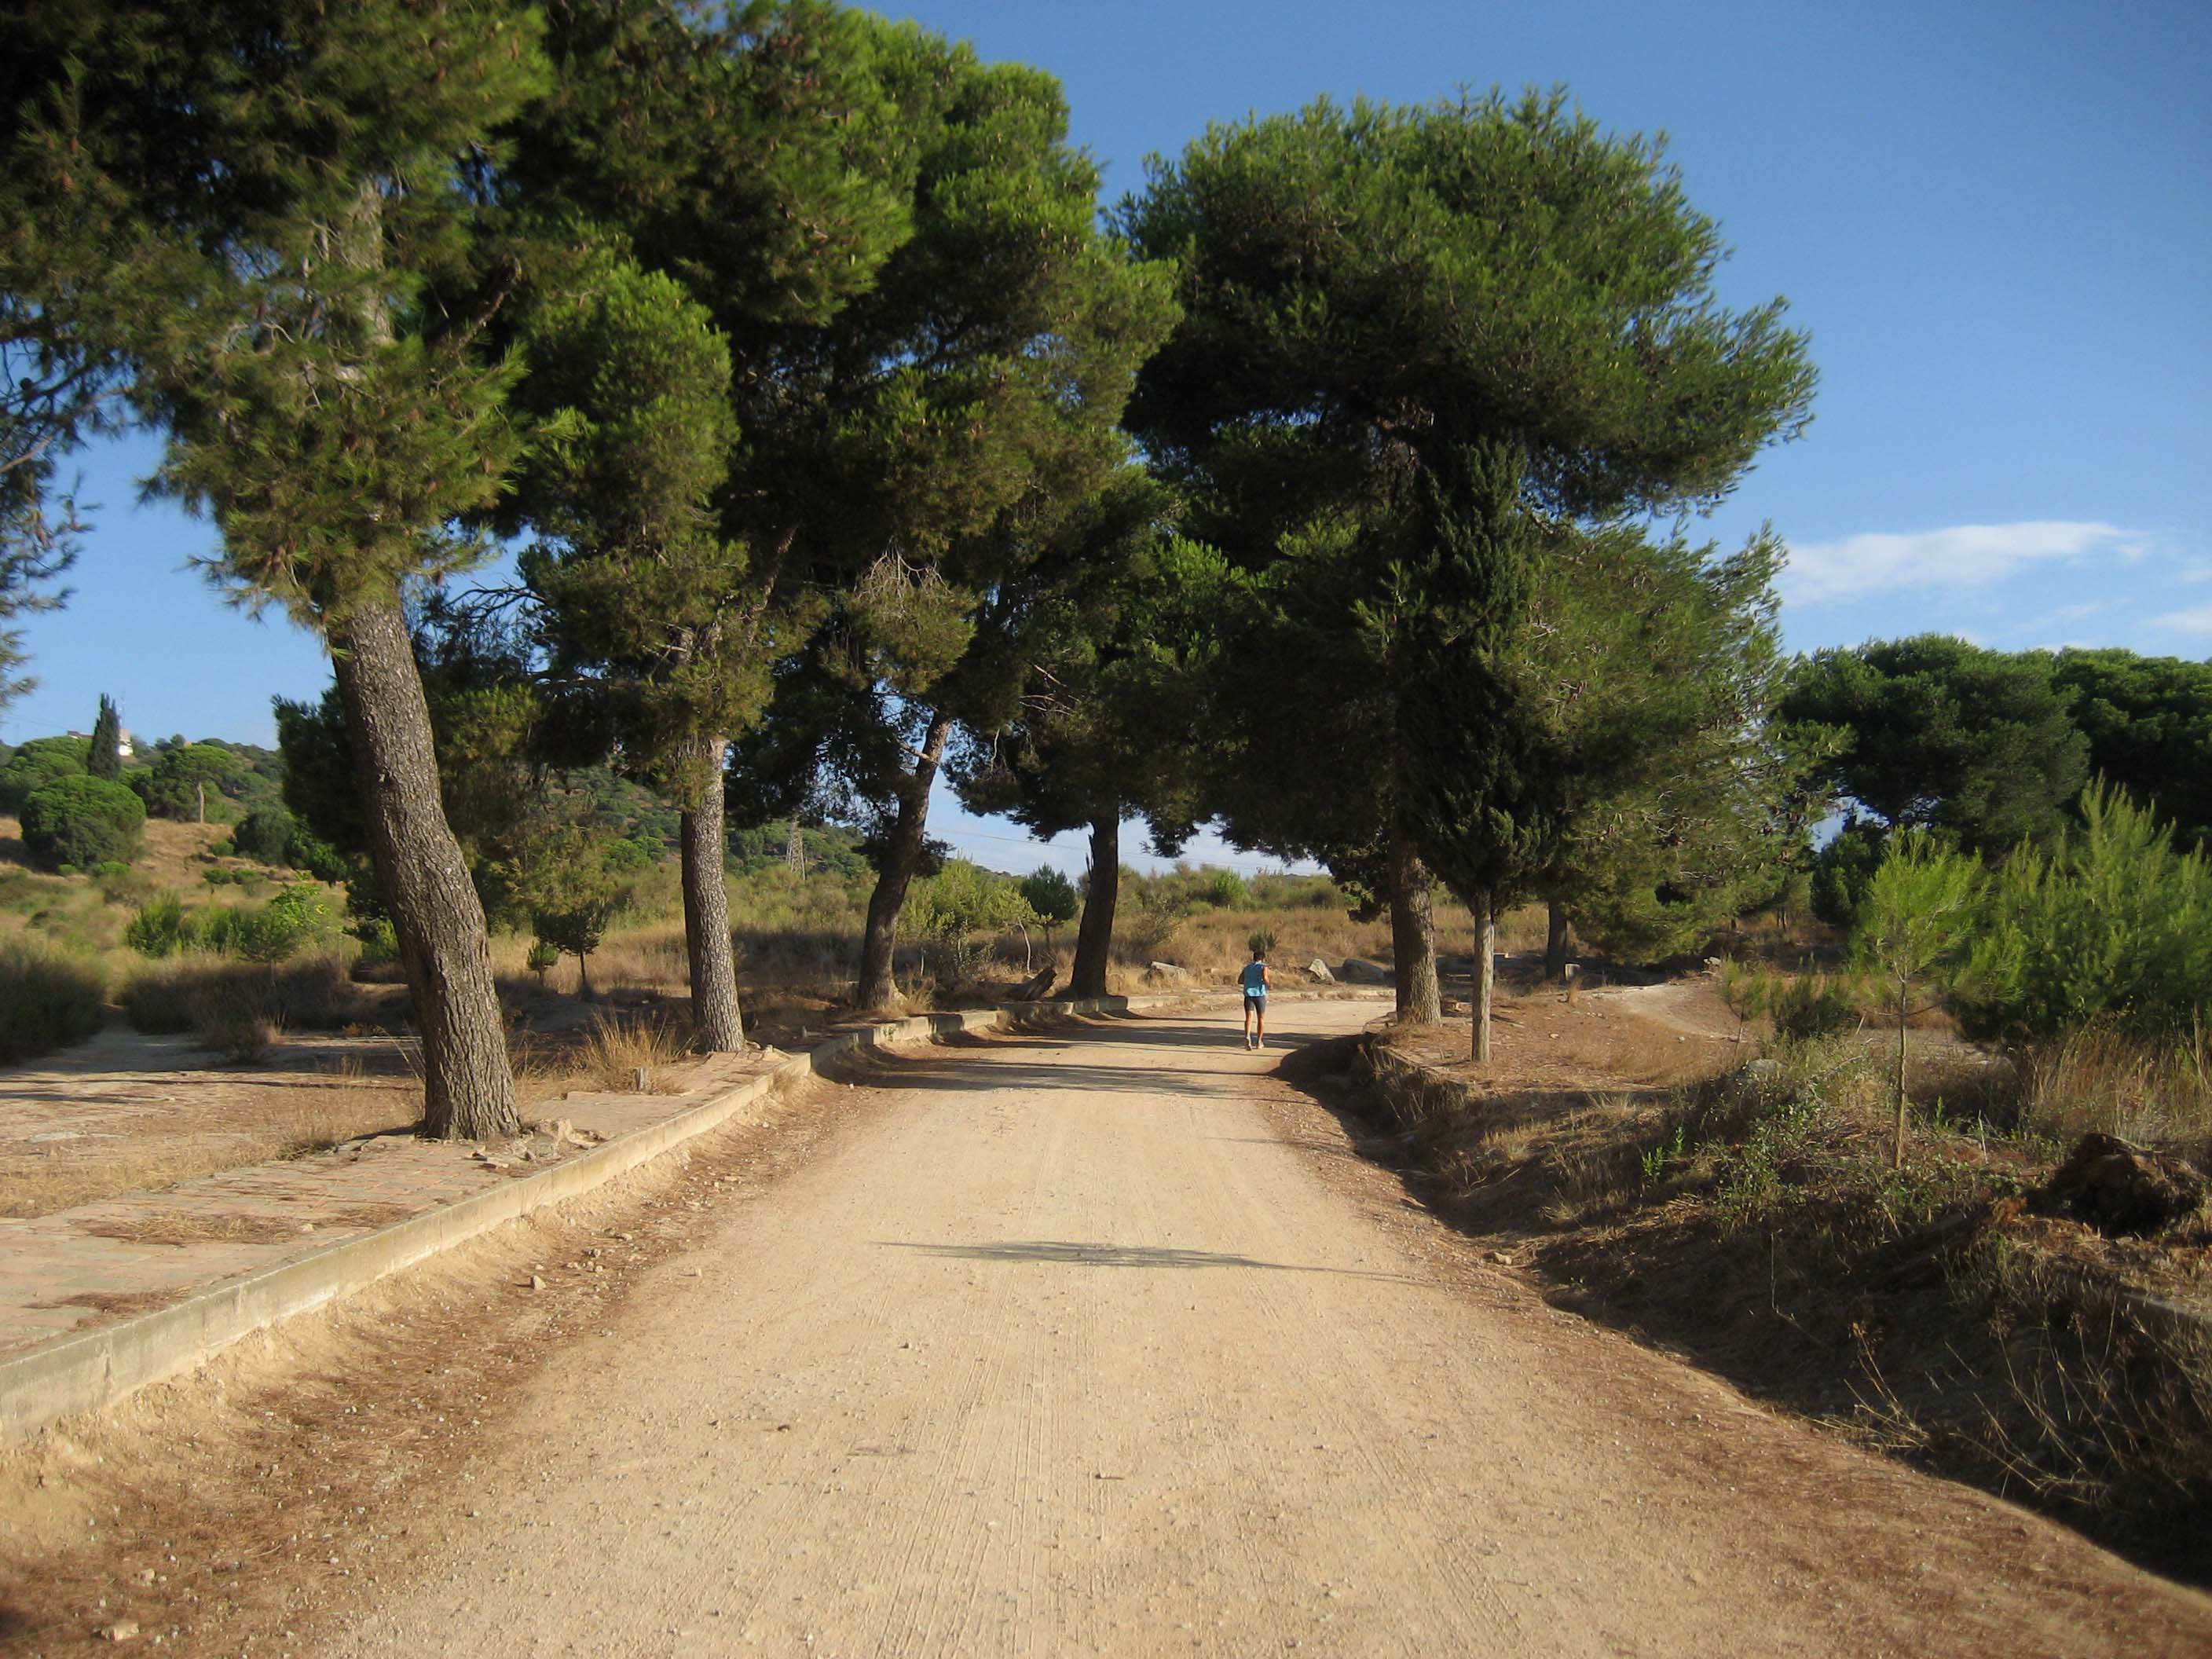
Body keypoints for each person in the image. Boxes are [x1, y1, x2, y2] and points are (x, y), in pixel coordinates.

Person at [1239, 948, 1273, 1049]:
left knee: (1249, 1017)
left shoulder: (1247, 968)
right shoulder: (1263, 967)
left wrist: (1249, 980)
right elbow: (1265, 978)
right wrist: (1269, 985)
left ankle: (1247, 1036)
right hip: (1259, 994)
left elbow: (1240, 980)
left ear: (1253, 958)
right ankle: (1259, 1041)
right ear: (1263, 958)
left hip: (1248, 994)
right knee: (1261, 1018)